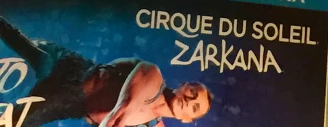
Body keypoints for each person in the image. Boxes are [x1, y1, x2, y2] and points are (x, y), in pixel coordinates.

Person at [0, 16, 212, 127]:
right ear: (184, 85)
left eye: (195, 107)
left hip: (71, 103)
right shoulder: (153, 76)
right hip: (69, 70)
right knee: (18, 41)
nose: (189, 100)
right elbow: (121, 111)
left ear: (187, 120)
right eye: (193, 92)